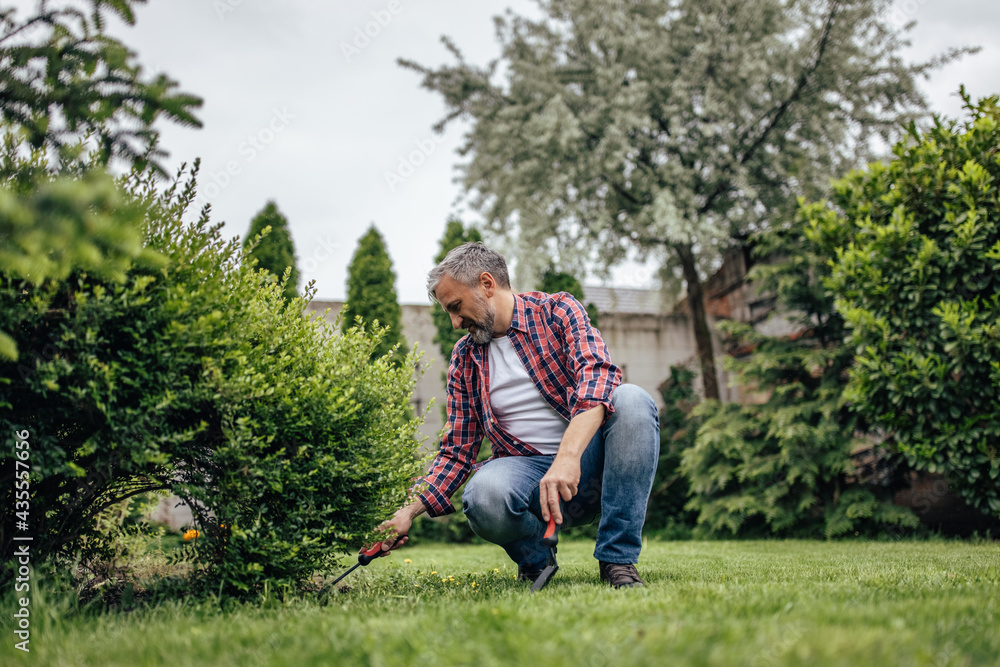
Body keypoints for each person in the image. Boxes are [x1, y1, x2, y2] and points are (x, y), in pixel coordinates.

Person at [377, 242, 659, 588]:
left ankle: (617, 561)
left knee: (631, 399)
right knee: (483, 495)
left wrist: (567, 458)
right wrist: (406, 512)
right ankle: (537, 561)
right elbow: (456, 452)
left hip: (589, 468)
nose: (453, 323)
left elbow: (596, 378)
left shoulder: (557, 311)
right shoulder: (465, 358)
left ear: (486, 284)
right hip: (527, 476)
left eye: (455, 307)